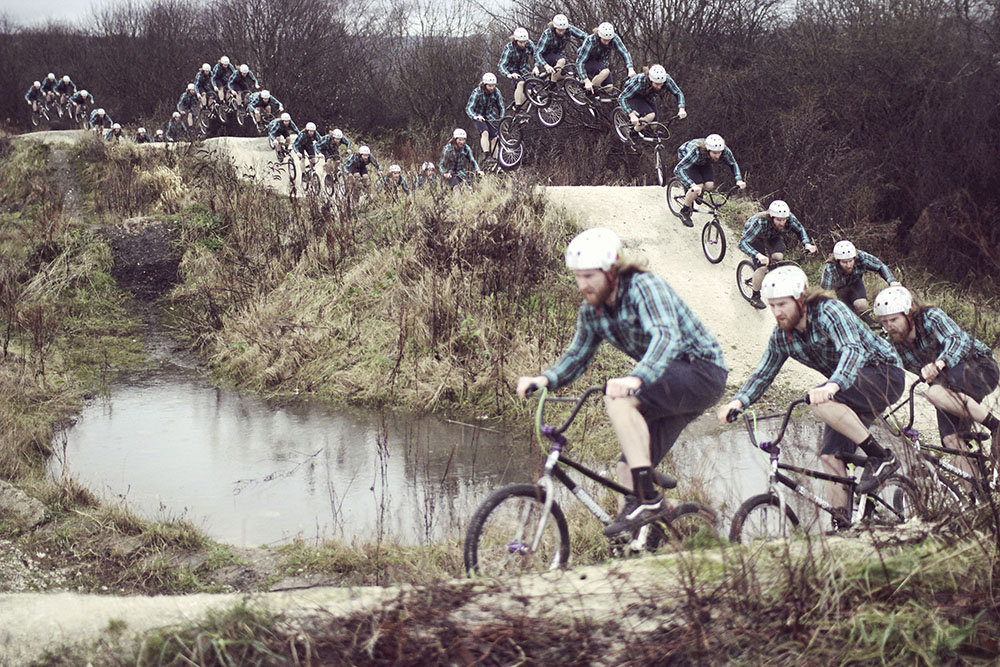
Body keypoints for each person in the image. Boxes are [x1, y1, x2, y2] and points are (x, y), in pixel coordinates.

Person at [517, 228, 729, 537]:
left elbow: (665, 336)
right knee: (624, 469)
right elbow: (576, 357)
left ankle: (646, 497)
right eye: (577, 276)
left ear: (611, 272)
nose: (582, 284)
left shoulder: (643, 287)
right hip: (670, 382)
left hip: (702, 371)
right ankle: (638, 541)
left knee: (618, 398)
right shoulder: (593, 312)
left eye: (589, 276)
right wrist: (544, 379)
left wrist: (635, 379)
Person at [717, 266, 905, 519]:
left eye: (782, 304)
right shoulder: (782, 337)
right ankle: (843, 523)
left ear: (800, 299)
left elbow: (852, 349)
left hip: (884, 373)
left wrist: (832, 385)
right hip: (849, 389)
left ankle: (881, 457)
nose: (777, 312)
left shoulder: (829, 312)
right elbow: (763, 373)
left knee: (819, 401)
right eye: (772, 306)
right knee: (830, 458)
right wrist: (738, 402)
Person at [874, 286, 1000, 475]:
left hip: (980, 366)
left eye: (894, 319)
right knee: (951, 441)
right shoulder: (895, 345)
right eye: (884, 322)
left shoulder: (930, 317)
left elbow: (957, 339)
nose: (889, 326)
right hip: (948, 388)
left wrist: (939, 363)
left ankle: (995, 426)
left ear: (908, 314)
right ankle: (975, 496)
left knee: (934, 392)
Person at [738, 200, 818, 309]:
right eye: (778, 220)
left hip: (772, 236)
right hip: (755, 237)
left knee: (778, 258)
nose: (782, 223)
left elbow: (800, 230)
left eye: (784, 219)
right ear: (771, 218)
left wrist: (807, 244)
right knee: (762, 267)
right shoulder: (760, 222)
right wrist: (759, 255)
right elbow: (743, 243)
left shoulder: (790, 219)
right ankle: (755, 296)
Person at [673, 134, 746, 227]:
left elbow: (733, 163)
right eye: (715, 153)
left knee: (709, 185)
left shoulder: (724, 151)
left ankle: (699, 193)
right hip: (688, 158)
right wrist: (692, 185)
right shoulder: (696, 152)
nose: (717, 156)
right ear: (708, 150)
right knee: (698, 186)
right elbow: (678, 169)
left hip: (705, 161)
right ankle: (684, 211)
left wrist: (739, 179)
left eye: (719, 153)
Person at [821, 240, 900, 322]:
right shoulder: (830, 268)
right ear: (837, 261)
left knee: (861, 305)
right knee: (843, 312)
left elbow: (880, 266)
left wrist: (891, 281)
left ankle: (865, 321)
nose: (848, 265)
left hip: (855, 282)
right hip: (839, 289)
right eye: (844, 262)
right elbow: (825, 293)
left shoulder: (862, 257)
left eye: (851, 261)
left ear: (854, 258)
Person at [617, 64, 686, 135]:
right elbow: (622, 97)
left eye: (661, 84)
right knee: (650, 115)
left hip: (648, 96)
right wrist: (632, 116)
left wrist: (681, 109)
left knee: (654, 125)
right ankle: (632, 134)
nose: (659, 87)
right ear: (650, 80)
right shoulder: (640, 81)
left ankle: (642, 131)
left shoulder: (667, 79)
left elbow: (678, 93)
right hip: (633, 96)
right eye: (656, 84)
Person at [576, 22, 636, 96]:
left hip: (601, 63)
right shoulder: (590, 40)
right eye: (604, 40)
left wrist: (630, 69)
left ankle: (594, 97)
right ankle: (588, 92)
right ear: (599, 36)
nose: (607, 42)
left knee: (609, 88)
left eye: (609, 40)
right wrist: (586, 80)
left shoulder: (614, 38)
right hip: (587, 61)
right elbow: (580, 62)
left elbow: (624, 52)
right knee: (605, 72)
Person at [534, 13, 586, 81]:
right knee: (561, 61)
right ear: (555, 27)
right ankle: (552, 82)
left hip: (560, 56)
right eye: (559, 30)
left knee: (571, 75)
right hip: (546, 57)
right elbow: (538, 52)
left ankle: (556, 83)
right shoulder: (547, 34)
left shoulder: (569, 29)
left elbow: (583, 35)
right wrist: (545, 65)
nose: (561, 32)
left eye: (563, 30)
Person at [466, 73, 505, 155]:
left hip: (490, 116)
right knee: (485, 132)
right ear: (484, 85)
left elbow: (501, 107)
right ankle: (486, 154)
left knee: (495, 137)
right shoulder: (477, 92)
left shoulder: (496, 92)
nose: (492, 88)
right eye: (489, 86)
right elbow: (469, 108)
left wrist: (501, 118)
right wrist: (475, 116)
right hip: (478, 115)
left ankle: (495, 159)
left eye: (493, 85)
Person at [497, 28, 537, 108]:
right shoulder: (509, 48)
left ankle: (522, 110)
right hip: (513, 70)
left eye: (524, 42)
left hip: (525, 69)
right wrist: (509, 74)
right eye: (520, 42)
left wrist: (536, 66)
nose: (523, 44)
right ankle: (518, 106)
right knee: (521, 84)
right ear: (516, 40)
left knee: (529, 91)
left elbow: (536, 55)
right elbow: (501, 65)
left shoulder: (529, 44)